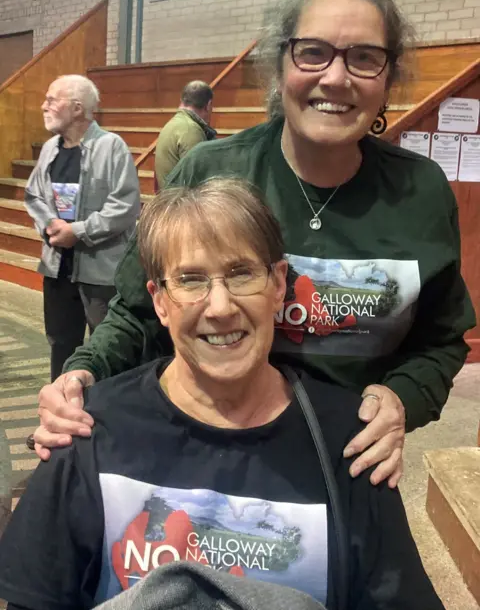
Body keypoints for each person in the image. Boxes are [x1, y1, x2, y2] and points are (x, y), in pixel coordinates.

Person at [33, 0, 475, 490]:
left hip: (343, 469)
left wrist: (401, 398)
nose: (336, 77)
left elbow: (441, 341)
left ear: (387, 78)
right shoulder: (209, 171)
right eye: (313, 52)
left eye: (364, 57)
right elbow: (135, 313)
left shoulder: (419, 192)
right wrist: (80, 373)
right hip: (199, 457)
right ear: (279, 63)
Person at [0, 179, 445, 610]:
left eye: (241, 273)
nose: (220, 307)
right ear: (159, 301)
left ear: (277, 285)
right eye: (191, 280)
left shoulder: (350, 443)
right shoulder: (87, 432)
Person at [25, 74, 141, 381]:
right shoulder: (50, 148)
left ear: (77, 108)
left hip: (100, 274)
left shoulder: (111, 147)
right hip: (57, 271)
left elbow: (125, 206)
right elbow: (34, 194)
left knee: (107, 349)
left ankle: (107, 419)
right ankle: (62, 414)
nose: (44, 106)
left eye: (52, 100)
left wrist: (76, 231)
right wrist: (50, 225)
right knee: (61, 345)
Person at [154, 80, 216, 187]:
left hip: (169, 198)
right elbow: (197, 183)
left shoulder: (172, 124)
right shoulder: (191, 130)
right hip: (180, 201)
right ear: (208, 105)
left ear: (182, 101)